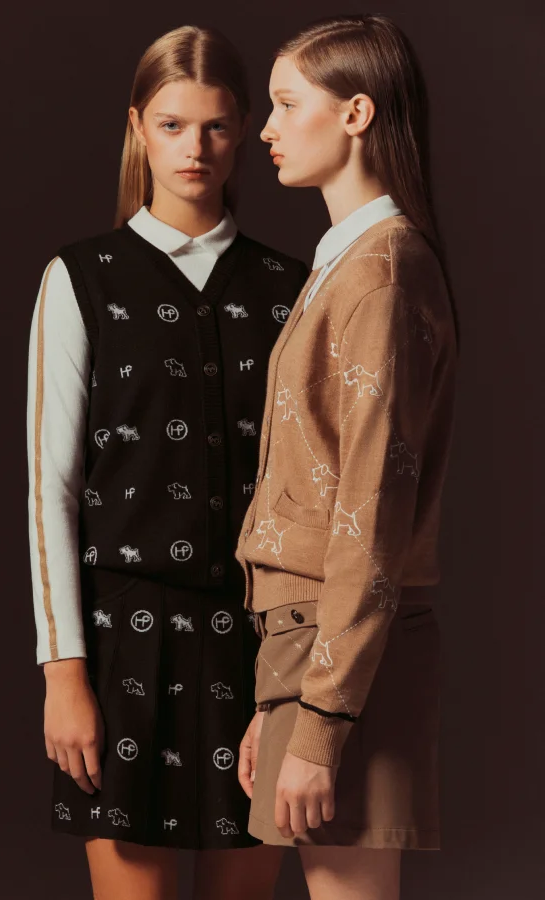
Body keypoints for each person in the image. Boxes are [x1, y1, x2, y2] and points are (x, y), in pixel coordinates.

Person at [26, 24, 308, 900]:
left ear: (245, 129)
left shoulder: (291, 287)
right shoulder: (82, 278)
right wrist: (64, 674)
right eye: (173, 125)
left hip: (257, 650)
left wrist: (300, 675)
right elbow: (51, 487)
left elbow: (308, 491)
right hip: (123, 646)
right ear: (138, 128)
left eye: (216, 126)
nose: (196, 148)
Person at [235, 14, 458, 900]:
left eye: (288, 104)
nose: (267, 128)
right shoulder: (348, 262)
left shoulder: (381, 272)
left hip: (343, 646)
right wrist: (276, 700)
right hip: (311, 642)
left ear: (356, 114)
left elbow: (370, 513)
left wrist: (321, 720)